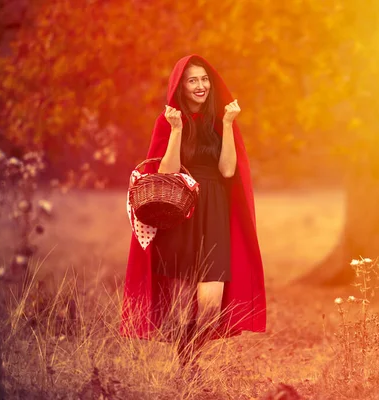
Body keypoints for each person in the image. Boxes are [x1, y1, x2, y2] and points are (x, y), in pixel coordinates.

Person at [120, 54, 266, 369]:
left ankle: (189, 353)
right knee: (182, 304)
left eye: (204, 79)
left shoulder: (218, 119)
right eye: (192, 80)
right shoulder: (168, 119)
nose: (200, 86)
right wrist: (175, 130)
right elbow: (168, 171)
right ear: (181, 86)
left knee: (211, 304)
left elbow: (228, 171)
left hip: (214, 210)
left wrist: (227, 124)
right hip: (180, 212)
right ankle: (188, 365)